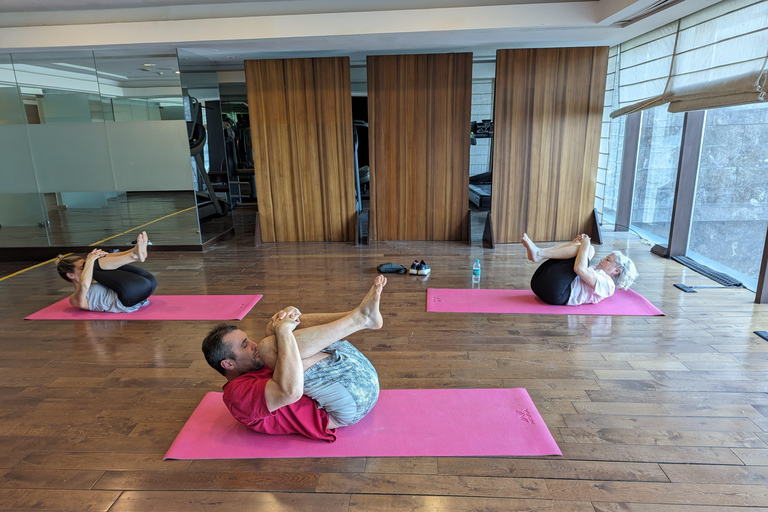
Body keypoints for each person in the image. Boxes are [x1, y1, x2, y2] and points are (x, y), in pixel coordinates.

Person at [201, 276, 386, 442]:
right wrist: (283, 330)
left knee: (272, 329)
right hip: (352, 399)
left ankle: (360, 314)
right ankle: (360, 319)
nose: (253, 344)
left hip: (353, 373)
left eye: (248, 339)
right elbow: (290, 392)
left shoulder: (252, 366)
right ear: (228, 364)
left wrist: (289, 316)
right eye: (244, 345)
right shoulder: (237, 395)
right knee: (270, 345)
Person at [521, 232, 638, 306]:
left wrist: (586, 243)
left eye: (608, 260)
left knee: (589, 249)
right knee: (582, 249)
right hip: (539, 284)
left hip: (557, 293)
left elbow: (579, 269)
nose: (602, 259)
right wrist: (576, 243)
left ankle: (539, 253)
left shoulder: (608, 285)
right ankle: (538, 252)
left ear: (616, 271)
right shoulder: (596, 271)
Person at [55, 231, 156, 313]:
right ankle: (134, 256)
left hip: (149, 285)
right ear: (70, 275)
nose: (86, 268)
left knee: (98, 261)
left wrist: (100, 256)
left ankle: (133, 252)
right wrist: (90, 261)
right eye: (82, 267)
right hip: (129, 298)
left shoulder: (97, 278)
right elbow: (84, 285)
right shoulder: (74, 299)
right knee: (94, 264)